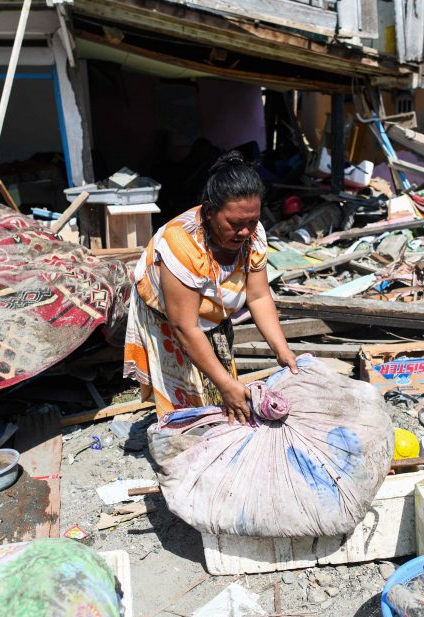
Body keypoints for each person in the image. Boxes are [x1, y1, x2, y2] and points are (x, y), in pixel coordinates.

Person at [124, 151, 297, 424]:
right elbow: (185, 327)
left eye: (252, 221)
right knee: (187, 403)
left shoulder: (253, 234)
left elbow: (259, 295)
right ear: (209, 211)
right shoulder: (182, 244)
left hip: (212, 311)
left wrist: (281, 349)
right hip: (172, 319)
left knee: (226, 395)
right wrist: (226, 385)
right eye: (236, 224)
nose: (245, 232)